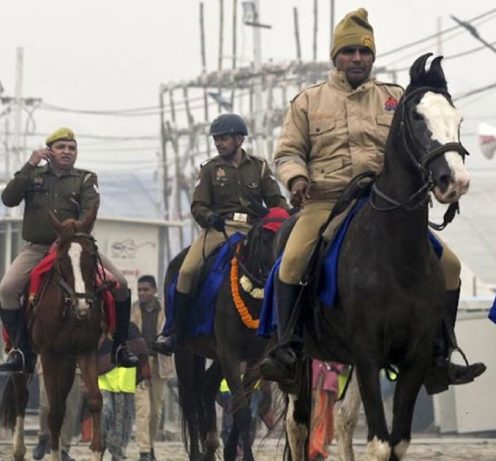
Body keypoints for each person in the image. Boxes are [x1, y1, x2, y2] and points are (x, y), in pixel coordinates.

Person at [260, 8, 485, 389]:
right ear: (336, 57)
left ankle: (439, 353)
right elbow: (287, 152)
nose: (357, 59)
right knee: (294, 259)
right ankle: (289, 347)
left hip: (384, 204)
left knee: (450, 266)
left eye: (364, 53)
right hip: (325, 202)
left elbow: (420, 146)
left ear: (373, 57)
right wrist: (296, 177)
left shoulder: (396, 99)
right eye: (349, 52)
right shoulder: (308, 102)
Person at [0, 127, 138, 372]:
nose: (67, 152)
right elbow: (9, 199)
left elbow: (89, 211)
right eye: (61, 147)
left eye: (71, 148)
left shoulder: (85, 179)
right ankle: (22, 351)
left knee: (121, 284)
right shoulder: (33, 175)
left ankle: (120, 347)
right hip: (38, 248)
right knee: (7, 288)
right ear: (49, 151)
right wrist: (29, 165)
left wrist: (69, 235)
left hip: (75, 247)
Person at [153, 114, 287, 352]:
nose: (218, 143)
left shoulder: (260, 167)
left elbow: (276, 201)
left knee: (284, 269)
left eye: (223, 138)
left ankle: (288, 331)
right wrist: (208, 217)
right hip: (219, 229)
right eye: (216, 139)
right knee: (186, 270)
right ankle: (174, 331)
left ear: (239, 139)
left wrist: (287, 214)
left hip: (255, 232)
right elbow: (198, 206)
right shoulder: (209, 170)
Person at [133, 275, 174, 461]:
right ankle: (143, 451)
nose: (142, 293)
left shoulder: (166, 310)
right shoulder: (132, 310)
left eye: (145, 289)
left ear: (154, 290)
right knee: (143, 410)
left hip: (160, 364)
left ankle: (149, 446)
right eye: (139, 289)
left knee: (156, 411)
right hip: (139, 364)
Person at [98, 324, 141, 461]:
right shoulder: (100, 330)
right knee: (104, 416)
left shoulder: (131, 329)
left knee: (123, 422)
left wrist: (143, 375)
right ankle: (100, 449)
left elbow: (141, 351)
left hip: (124, 384)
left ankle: (117, 453)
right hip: (104, 381)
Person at [32, 365, 83, 461]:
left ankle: (63, 449)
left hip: (74, 365)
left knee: (71, 409)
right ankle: (44, 438)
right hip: (48, 364)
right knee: (46, 405)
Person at [309, 361, 346, 461]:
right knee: (319, 416)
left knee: (326, 418)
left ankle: (319, 447)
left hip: (328, 382)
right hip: (316, 380)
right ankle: (316, 449)